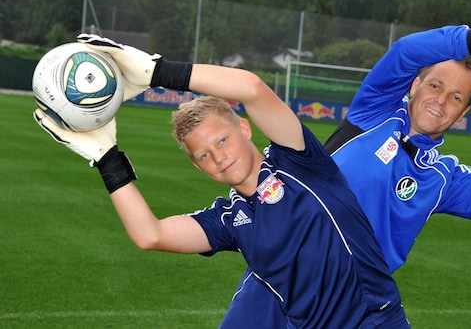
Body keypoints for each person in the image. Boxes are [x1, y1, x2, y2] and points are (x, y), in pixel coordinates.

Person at [212, 3, 471, 327]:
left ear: (463, 115)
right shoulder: (374, 113)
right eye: (436, 85)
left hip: (360, 304)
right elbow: (405, 52)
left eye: (457, 98)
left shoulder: (442, 177)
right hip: (281, 282)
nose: (441, 100)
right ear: (413, 86)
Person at [33, 35, 410, 328]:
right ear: (199, 168)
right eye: (204, 156)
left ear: (244, 128)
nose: (218, 157)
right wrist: (107, 159)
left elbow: (252, 89)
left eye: (222, 140)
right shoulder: (230, 220)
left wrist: (157, 73)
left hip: (377, 322)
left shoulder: (299, 161)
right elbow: (150, 235)